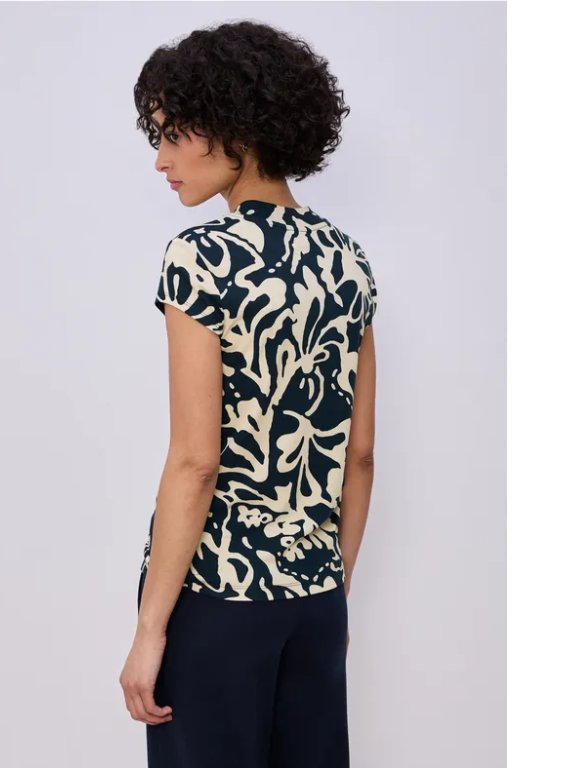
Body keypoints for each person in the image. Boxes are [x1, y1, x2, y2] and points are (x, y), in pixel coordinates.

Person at [119, 20, 378, 768]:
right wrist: (330, 591)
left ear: (236, 126)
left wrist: (149, 631)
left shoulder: (201, 259)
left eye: (175, 135)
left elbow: (196, 461)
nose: (161, 159)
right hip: (316, 599)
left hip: (219, 600)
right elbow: (359, 456)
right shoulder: (347, 261)